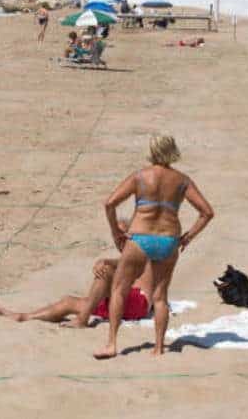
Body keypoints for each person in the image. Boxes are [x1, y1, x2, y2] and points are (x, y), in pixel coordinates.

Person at [92, 135, 215, 359]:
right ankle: (158, 348)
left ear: (152, 151)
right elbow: (207, 212)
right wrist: (188, 237)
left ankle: (111, 343)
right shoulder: (182, 180)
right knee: (160, 296)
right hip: (169, 240)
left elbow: (110, 203)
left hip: (141, 237)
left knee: (120, 288)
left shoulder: (140, 176)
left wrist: (116, 232)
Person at [0, 254, 153, 327]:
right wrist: (103, 261)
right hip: (125, 303)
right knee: (68, 302)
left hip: (140, 301)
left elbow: (131, 261)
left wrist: (105, 262)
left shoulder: (148, 245)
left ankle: (82, 319)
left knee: (105, 271)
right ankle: (25, 316)